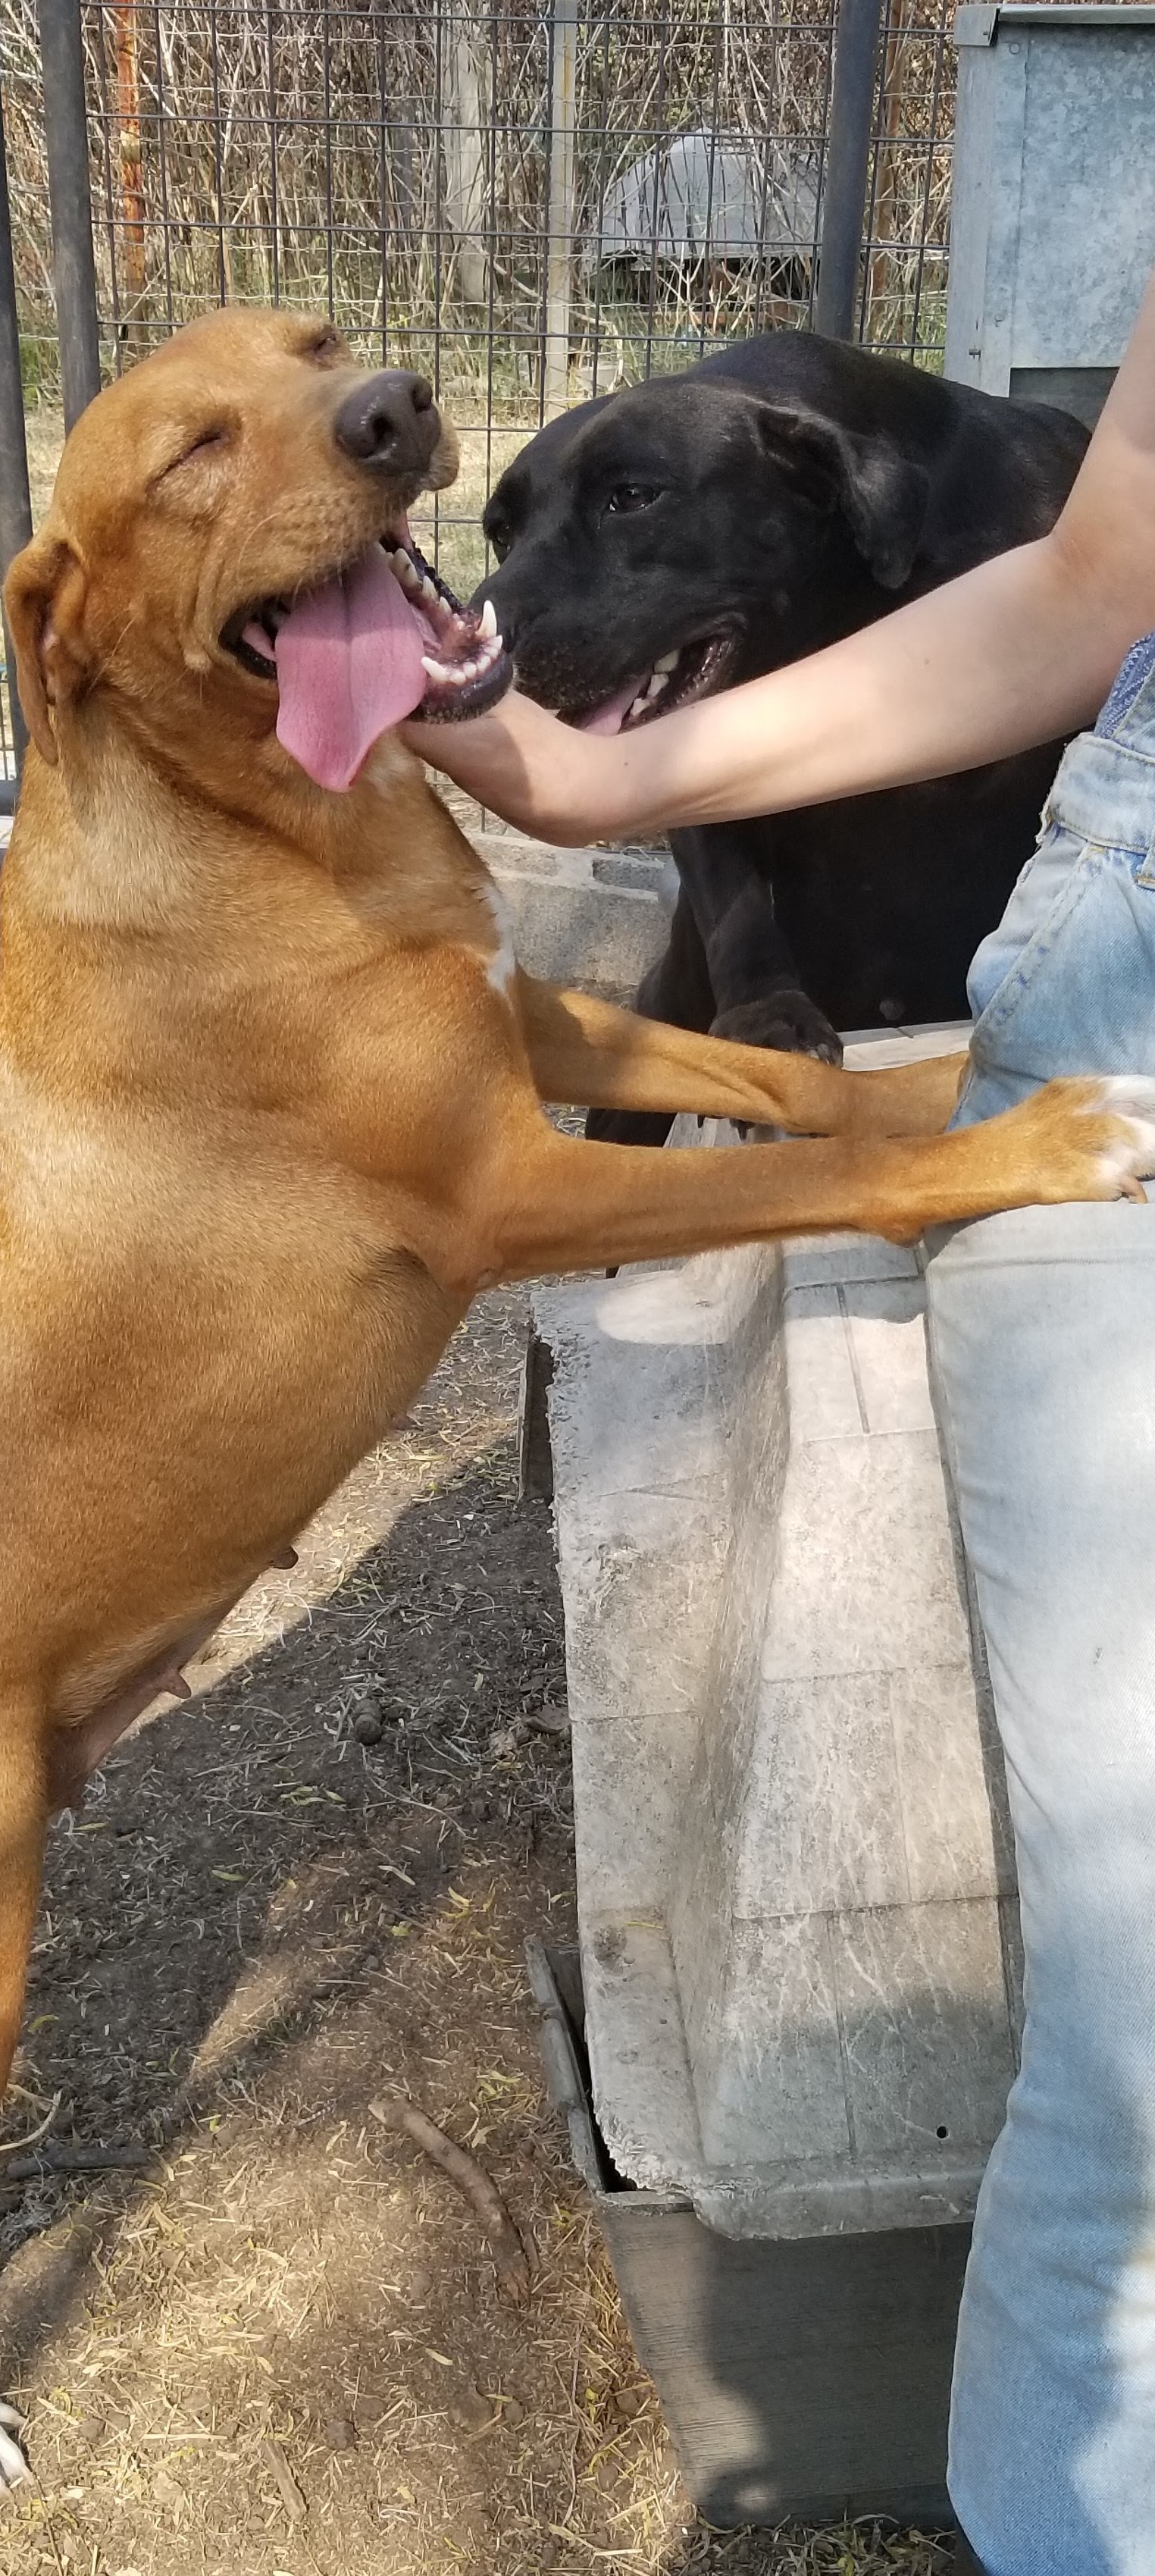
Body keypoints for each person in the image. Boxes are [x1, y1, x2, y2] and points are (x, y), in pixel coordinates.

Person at [410, 270, 1155, 2576]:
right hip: (1123, 1031)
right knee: (1142, 2043)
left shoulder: (871, 483)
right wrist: (588, 775)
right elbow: (1093, 603)